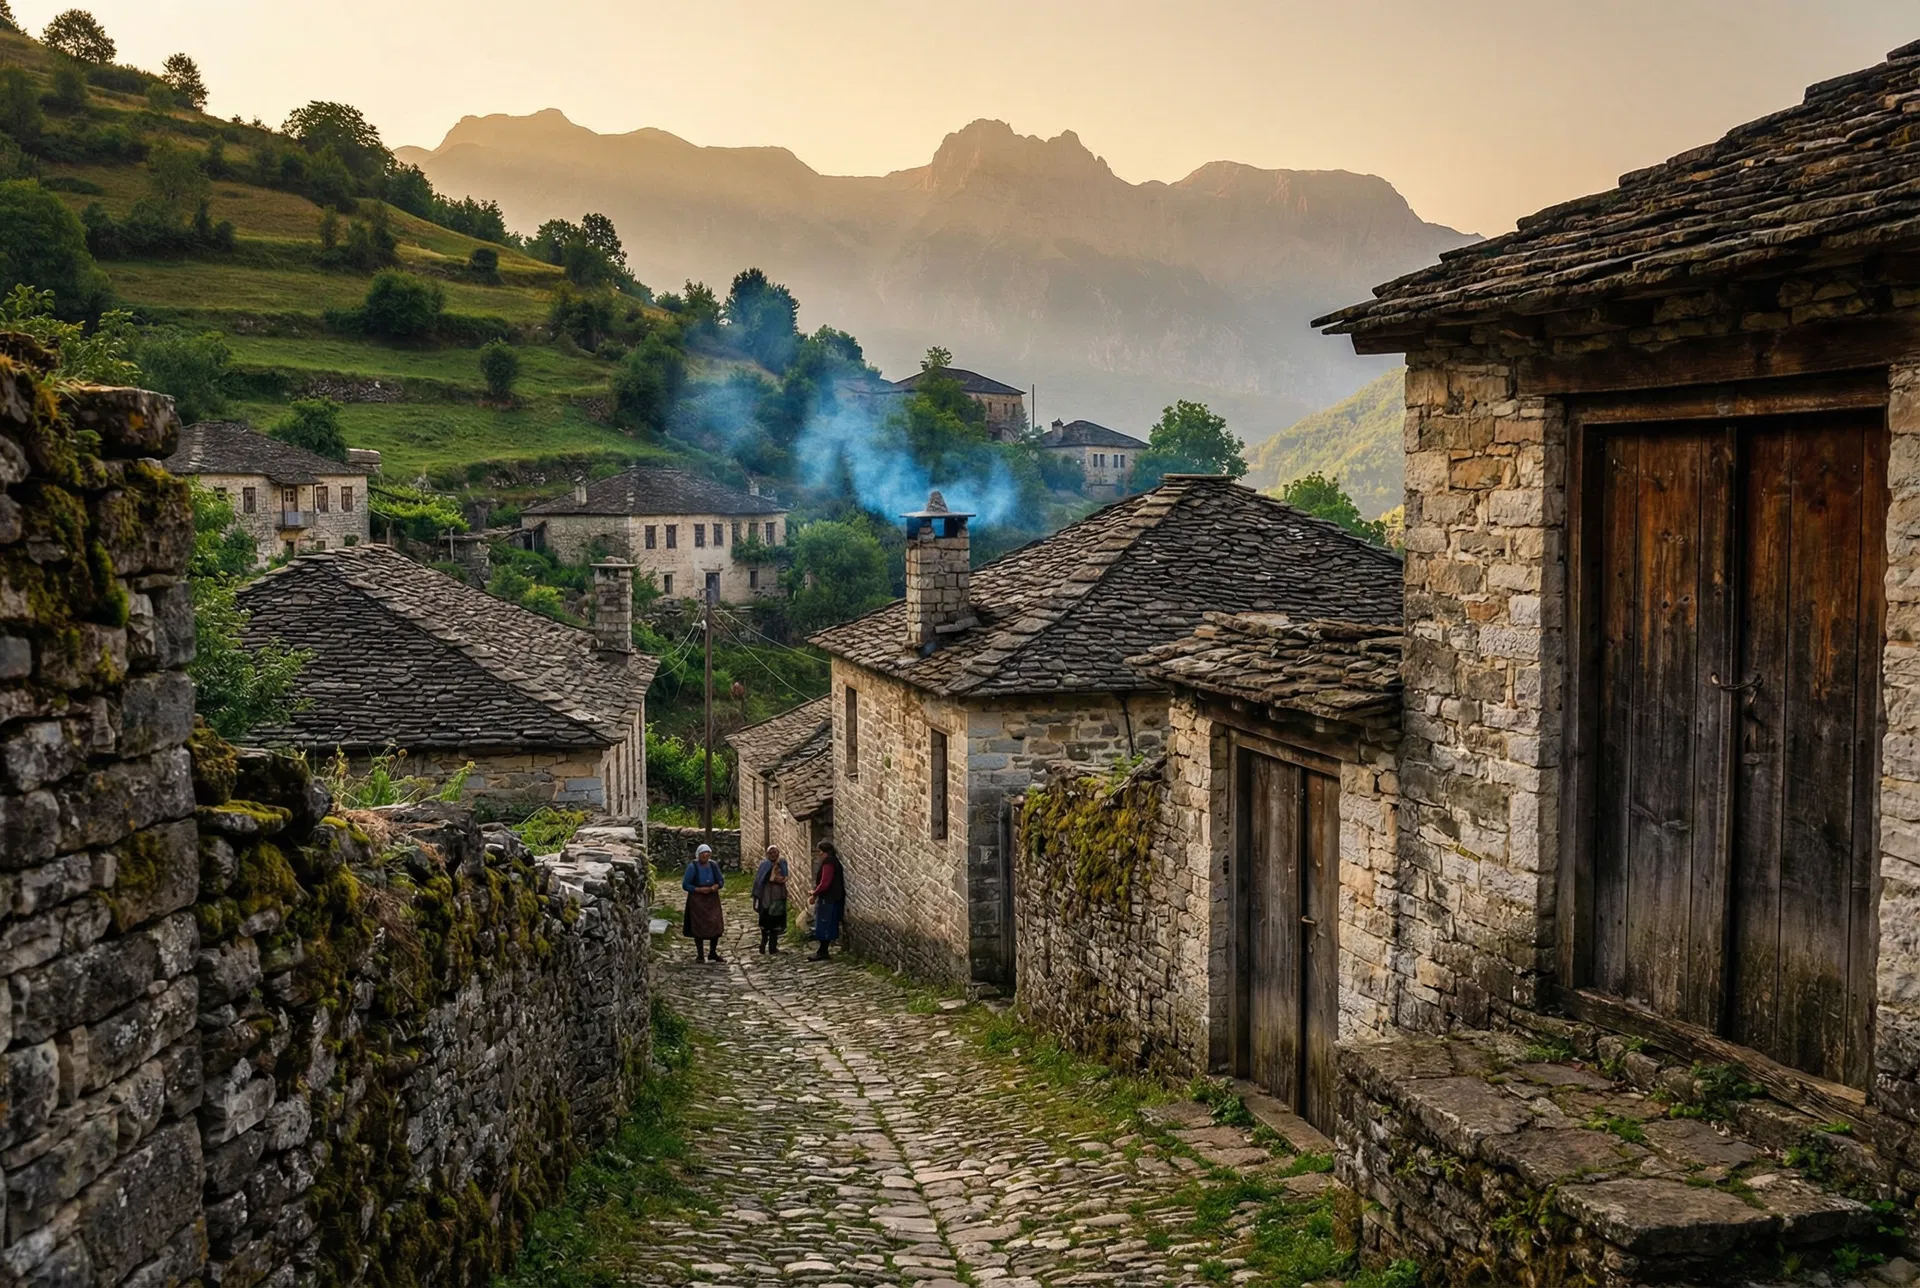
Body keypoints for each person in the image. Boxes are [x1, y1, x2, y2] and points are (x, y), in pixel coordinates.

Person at [681, 843, 726, 962]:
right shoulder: (693, 867)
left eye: (708, 854)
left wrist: (717, 886)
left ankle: (712, 952)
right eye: (703, 854)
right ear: (698, 855)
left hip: (712, 898)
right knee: (698, 925)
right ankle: (700, 954)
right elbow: (685, 885)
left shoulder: (713, 865)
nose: (706, 856)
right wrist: (699, 889)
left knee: (715, 924)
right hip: (697, 900)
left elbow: (721, 880)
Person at [808, 841, 845, 961]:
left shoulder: (829, 862)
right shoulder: (833, 861)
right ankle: (822, 950)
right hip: (833, 897)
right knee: (826, 924)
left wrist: (815, 893)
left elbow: (825, 882)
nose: (819, 854)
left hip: (829, 898)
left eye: (820, 851)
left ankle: (823, 951)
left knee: (825, 924)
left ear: (824, 852)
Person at [752, 844, 789, 954]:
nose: (773, 855)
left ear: (778, 853)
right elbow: (760, 881)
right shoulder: (765, 865)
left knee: (776, 921)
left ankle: (773, 946)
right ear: (767, 854)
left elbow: (785, 877)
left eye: (775, 852)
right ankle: (763, 944)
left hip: (778, 896)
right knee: (765, 921)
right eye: (770, 853)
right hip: (766, 896)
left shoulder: (782, 863)